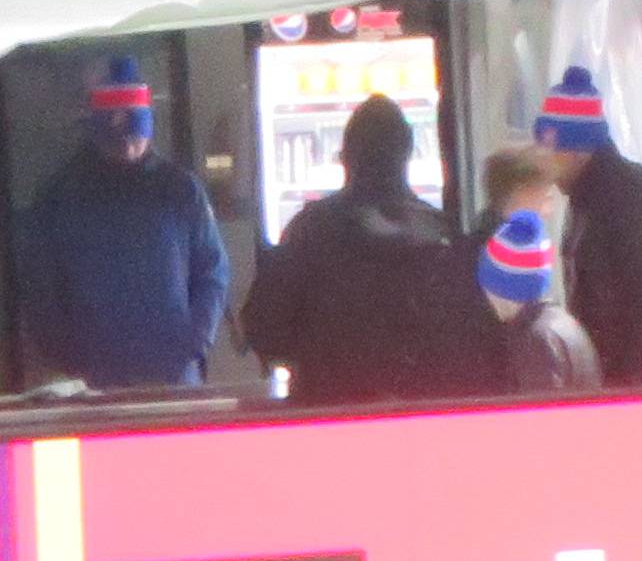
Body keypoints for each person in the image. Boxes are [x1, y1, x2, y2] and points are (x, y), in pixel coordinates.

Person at [236, 92, 487, 406]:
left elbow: (265, 327)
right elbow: (467, 339)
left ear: (346, 157)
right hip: (421, 410)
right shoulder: (441, 233)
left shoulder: (310, 228)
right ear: (407, 154)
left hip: (328, 407)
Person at [19, 56, 230, 392]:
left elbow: (212, 272)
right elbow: (40, 286)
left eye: (135, 138)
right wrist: (67, 358)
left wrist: (195, 342)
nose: (128, 148)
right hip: (91, 379)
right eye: (117, 140)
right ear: (97, 134)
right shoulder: (62, 194)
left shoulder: (180, 189)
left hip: (172, 373)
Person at [535, 67, 642, 388]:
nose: (544, 161)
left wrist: (624, 389)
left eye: (550, 148)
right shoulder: (586, 200)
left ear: (576, 149)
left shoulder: (628, 196)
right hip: (633, 382)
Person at [474, 205, 601, 397]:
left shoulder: (536, 341)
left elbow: (537, 412)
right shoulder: (564, 323)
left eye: (488, 285)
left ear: (503, 288)